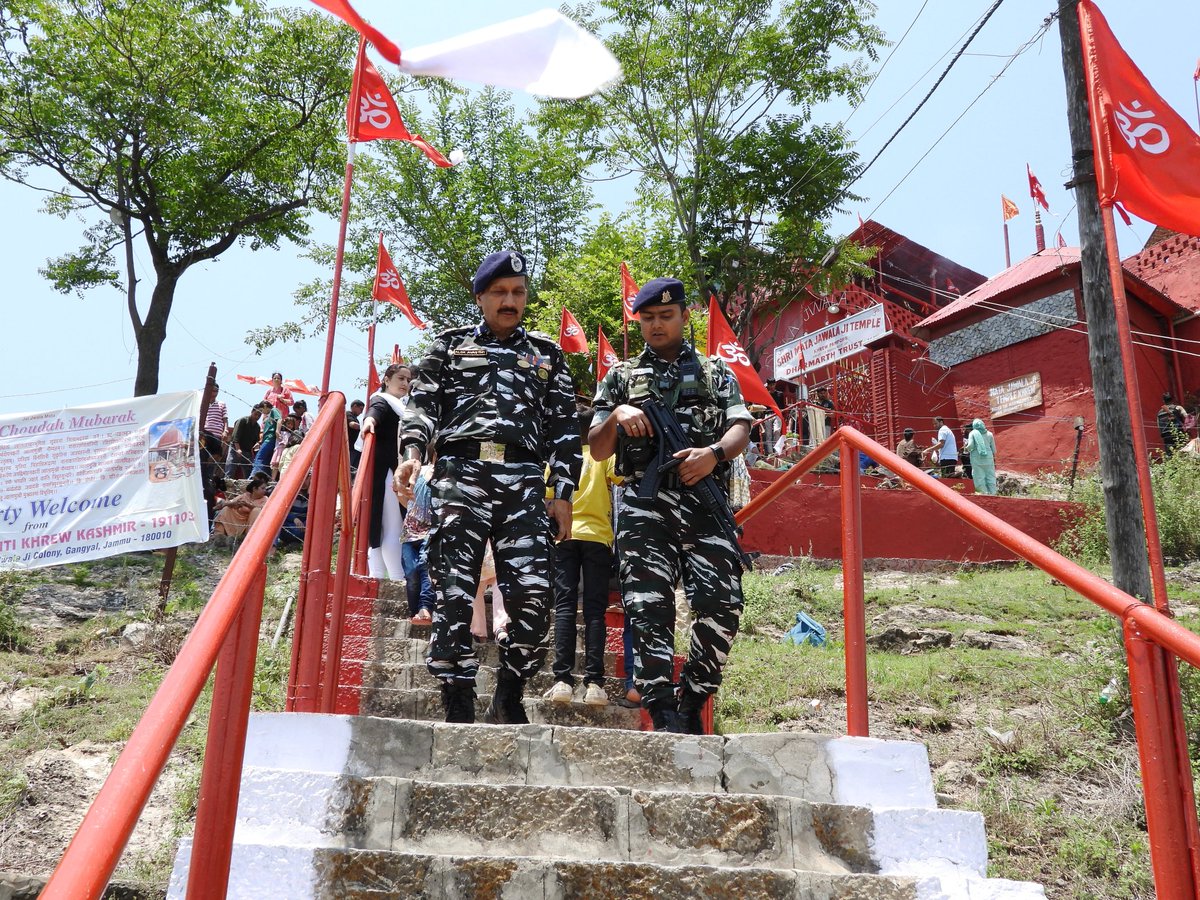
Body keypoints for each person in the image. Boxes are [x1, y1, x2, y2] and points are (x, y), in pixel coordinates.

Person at [394, 250, 581, 725]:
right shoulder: (448, 347)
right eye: (499, 292)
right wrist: (412, 456)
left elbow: (563, 428)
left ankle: (510, 690)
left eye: (518, 292)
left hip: (522, 482)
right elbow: (420, 409)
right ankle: (456, 692)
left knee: (535, 593)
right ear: (480, 297)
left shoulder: (547, 355)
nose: (510, 300)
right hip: (461, 476)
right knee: (454, 590)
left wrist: (562, 494)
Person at [590, 276, 752, 734]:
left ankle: (694, 696)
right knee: (647, 605)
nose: (657, 325)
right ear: (638, 321)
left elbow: (741, 426)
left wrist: (713, 455)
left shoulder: (716, 370)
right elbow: (598, 448)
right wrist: (619, 415)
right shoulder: (620, 376)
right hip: (644, 505)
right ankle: (660, 707)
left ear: (684, 316)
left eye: (666, 316)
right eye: (648, 318)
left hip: (705, 499)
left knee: (724, 602)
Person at [546, 403, 622, 708]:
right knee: (594, 610)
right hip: (598, 538)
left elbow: (548, 501)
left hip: (564, 536)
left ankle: (562, 680)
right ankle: (594, 683)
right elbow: (622, 476)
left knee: (564, 607)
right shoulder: (603, 456)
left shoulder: (558, 461)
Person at [362, 364, 411, 581]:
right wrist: (369, 421)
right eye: (401, 378)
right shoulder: (382, 400)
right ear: (386, 379)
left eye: (408, 380)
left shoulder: (402, 406)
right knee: (393, 525)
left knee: (382, 525)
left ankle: (378, 575)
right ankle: (397, 577)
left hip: (387, 471)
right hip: (388, 472)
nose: (405, 384)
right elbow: (374, 413)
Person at [401, 460, 436, 625]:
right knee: (410, 571)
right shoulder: (419, 470)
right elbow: (399, 487)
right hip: (409, 531)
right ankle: (414, 609)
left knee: (424, 563)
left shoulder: (446, 474)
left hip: (431, 529)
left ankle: (425, 607)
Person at [211, 472, 270, 541]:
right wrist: (236, 503)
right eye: (262, 488)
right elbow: (230, 502)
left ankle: (250, 537)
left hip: (250, 523)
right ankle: (218, 535)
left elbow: (263, 510)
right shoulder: (245, 495)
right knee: (227, 509)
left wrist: (247, 505)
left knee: (256, 510)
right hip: (237, 521)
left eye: (265, 489)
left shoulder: (265, 499)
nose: (265, 491)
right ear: (254, 489)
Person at [226, 402, 266, 479]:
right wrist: (238, 449)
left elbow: (256, 440)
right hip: (236, 448)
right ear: (252, 412)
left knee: (249, 470)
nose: (257, 417)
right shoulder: (242, 421)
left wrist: (257, 443)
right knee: (231, 467)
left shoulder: (257, 427)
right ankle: (227, 482)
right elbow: (235, 436)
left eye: (259, 415)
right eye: (256, 414)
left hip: (247, 451)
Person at [965, 418, 998, 495]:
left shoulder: (973, 433)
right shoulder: (990, 434)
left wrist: (966, 449)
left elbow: (970, 446)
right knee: (990, 476)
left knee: (979, 477)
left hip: (977, 457)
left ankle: (983, 494)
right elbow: (994, 450)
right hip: (989, 458)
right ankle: (993, 493)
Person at [346, 399, 365, 472]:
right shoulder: (348, 414)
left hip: (355, 448)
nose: (361, 412)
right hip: (350, 447)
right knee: (349, 468)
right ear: (355, 406)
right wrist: (364, 427)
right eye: (360, 409)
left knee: (355, 470)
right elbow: (352, 425)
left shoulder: (356, 419)